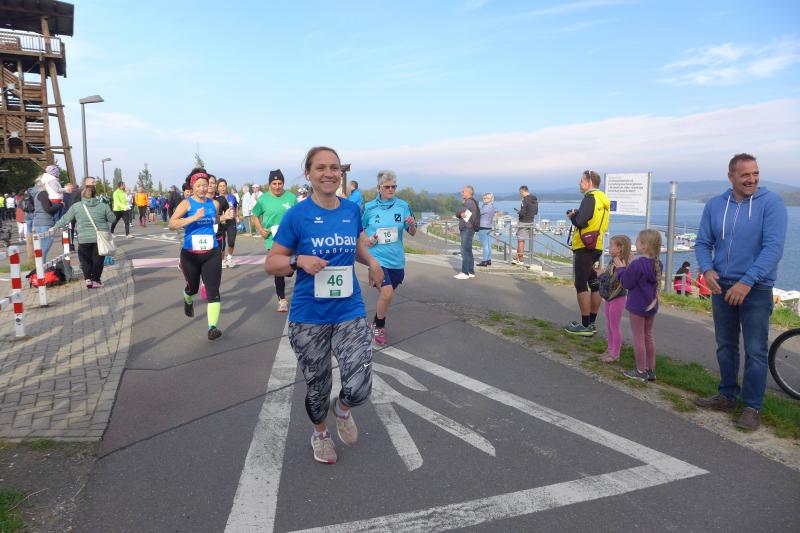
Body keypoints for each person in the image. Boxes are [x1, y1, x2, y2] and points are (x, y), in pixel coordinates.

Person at [266, 146, 384, 465]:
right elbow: (271, 263)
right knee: (318, 388)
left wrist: (372, 262)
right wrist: (298, 260)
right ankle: (320, 433)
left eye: (334, 168)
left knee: (359, 386)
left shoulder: (351, 211)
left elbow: (356, 244)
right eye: (320, 168)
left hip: (349, 309)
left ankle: (342, 409)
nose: (329, 173)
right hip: (309, 316)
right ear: (308, 174)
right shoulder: (297, 215)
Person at [693, 153, 787, 431]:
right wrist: (707, 269)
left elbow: (773, 248)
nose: (752, 179)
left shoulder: (772, 203)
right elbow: (703, 242)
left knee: (755, 350)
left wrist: (747, 282)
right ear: (731, 176)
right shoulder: (715, 205)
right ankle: (727, 396)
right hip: (721, 286)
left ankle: (752, 407)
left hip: (756, 288)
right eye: (745, 174)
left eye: (755, 173)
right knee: (725, 345)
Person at [169, 168, 235, 340]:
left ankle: (212, 328)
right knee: (193, 288)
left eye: (205, 185)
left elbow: (213, 219)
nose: (202, 189)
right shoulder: (186, 204)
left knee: (213, 291)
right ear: (192, 186)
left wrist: (224, 217)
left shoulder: (213, 204)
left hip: (212, 252)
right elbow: (172, 224)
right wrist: (192, 218)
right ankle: (188, 298)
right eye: (198, 186)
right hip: (190, 254)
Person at [362, 170, 416, 346]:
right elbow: (359, 229)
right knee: (387, 293)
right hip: (377, 259)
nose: (391, 189)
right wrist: (367, 240)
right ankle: (379, 326)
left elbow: (412, 232)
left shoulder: (403, 206)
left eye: (394, 186)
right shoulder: (369, 207)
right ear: (379, 187)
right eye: (387, 187)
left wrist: (411, 225)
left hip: (396, 260)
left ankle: (375, 322)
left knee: (387, 295)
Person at [564, 170, 610, 336]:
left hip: (585, 245)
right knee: (593, 281)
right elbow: (592, 219)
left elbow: (581, 221)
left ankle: (585, 326)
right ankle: (591, 322)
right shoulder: (602, 199)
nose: (579, 183)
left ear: (589, 182)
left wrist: (572, 216)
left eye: (581, 181)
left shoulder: (590, 198)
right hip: (597, 244)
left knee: (580, 283)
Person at [616, 229, 662, 382]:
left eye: (637, 241)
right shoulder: (658, 264)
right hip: (651, 305)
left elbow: (626, 283)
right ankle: (651, 370)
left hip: (637, 305)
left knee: (638, 338)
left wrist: (621, 269)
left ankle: (640, 371)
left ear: (644, 246)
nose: (635, 243)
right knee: (648, 336)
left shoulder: (637, 264)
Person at [52, 181, 115, 288]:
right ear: (95, 194)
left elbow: (65, 219)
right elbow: (112, 219)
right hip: (100, 238)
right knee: (98, 260)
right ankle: (96, 280)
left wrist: (54, 227)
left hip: (83, 238)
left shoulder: (76, 206)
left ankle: (88, 280)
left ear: (82, 195)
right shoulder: (103, 206)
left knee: (85, 259)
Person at [252, 169, 297, 311]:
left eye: (280, 183)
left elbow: (298, 215)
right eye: (274, 183)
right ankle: (282, 300)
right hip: (273, 240)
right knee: (279, 270)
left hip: (291, 239)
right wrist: (260, 229)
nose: (277, 186)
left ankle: (285, 274)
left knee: (289, 270)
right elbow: (254, 215)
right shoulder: (263, 199)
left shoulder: (291, 197)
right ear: (270, 184)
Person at [596, 235, 631, 363]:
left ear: (620, 248)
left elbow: (613, 281)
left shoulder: (620, 263)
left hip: (617, 297)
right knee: (609, 325)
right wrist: (603, 273)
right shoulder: (613, 261)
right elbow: (609, 277)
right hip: (610, 297)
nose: (609, 248)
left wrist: (601, 275)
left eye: (611, 245)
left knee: (614, 326)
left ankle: (615, 353)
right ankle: (610, 349)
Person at [32, 174, 61, 262]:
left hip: (40, 221)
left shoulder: (38, 193)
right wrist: (60, 205)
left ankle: (40, 266)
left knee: (42, 248)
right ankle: (41, 267)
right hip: (45, 223)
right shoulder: (43, 193)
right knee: (44, 248)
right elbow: (48, 209)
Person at [454, 185, 480, 280]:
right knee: (468, 250)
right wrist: (460, 213)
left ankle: (465, 272)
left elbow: (460, 213)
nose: (462, 193)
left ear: (469, 192)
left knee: (464, 250)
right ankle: (470, 271)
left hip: (467, 228)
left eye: (463, 191)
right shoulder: (472, 202)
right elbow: (460, 213)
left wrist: (459, 212)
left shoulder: (469, 202)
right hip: (470, 228)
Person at [216, 178, 238, 268]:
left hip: (231, 221)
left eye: (224, 186)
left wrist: (237, 216)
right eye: (220, 186)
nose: (222, 188)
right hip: (220, 222)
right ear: (217, 188)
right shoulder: (215, 198)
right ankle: (222, 260)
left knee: (231, 241)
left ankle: (229, 258)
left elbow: (236, 207)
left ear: (226, 186)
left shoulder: (232, 197)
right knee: (222, 244)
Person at [513, 185, 538, 265]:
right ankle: (517, 256)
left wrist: (519, 212)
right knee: (524, 240)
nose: (520, 195)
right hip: (531, 221)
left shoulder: (524, 200)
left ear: (523, 191)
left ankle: (520, 259)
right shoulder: (534, 199)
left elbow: (523, 213)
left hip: (523, 222)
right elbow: (536, 211)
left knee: (520, 241)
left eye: (520, 193)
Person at [477, 192, 495, 267]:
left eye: (487, 198)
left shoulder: (486, 207)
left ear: (491, 199)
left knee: (485, 245)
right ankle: (488, 260)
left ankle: (484, 261)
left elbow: (478, 213)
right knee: (488, 244)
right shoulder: (492, 206)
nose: (485, 199)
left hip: (483, 227)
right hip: (489, 227)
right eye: (484, 198)